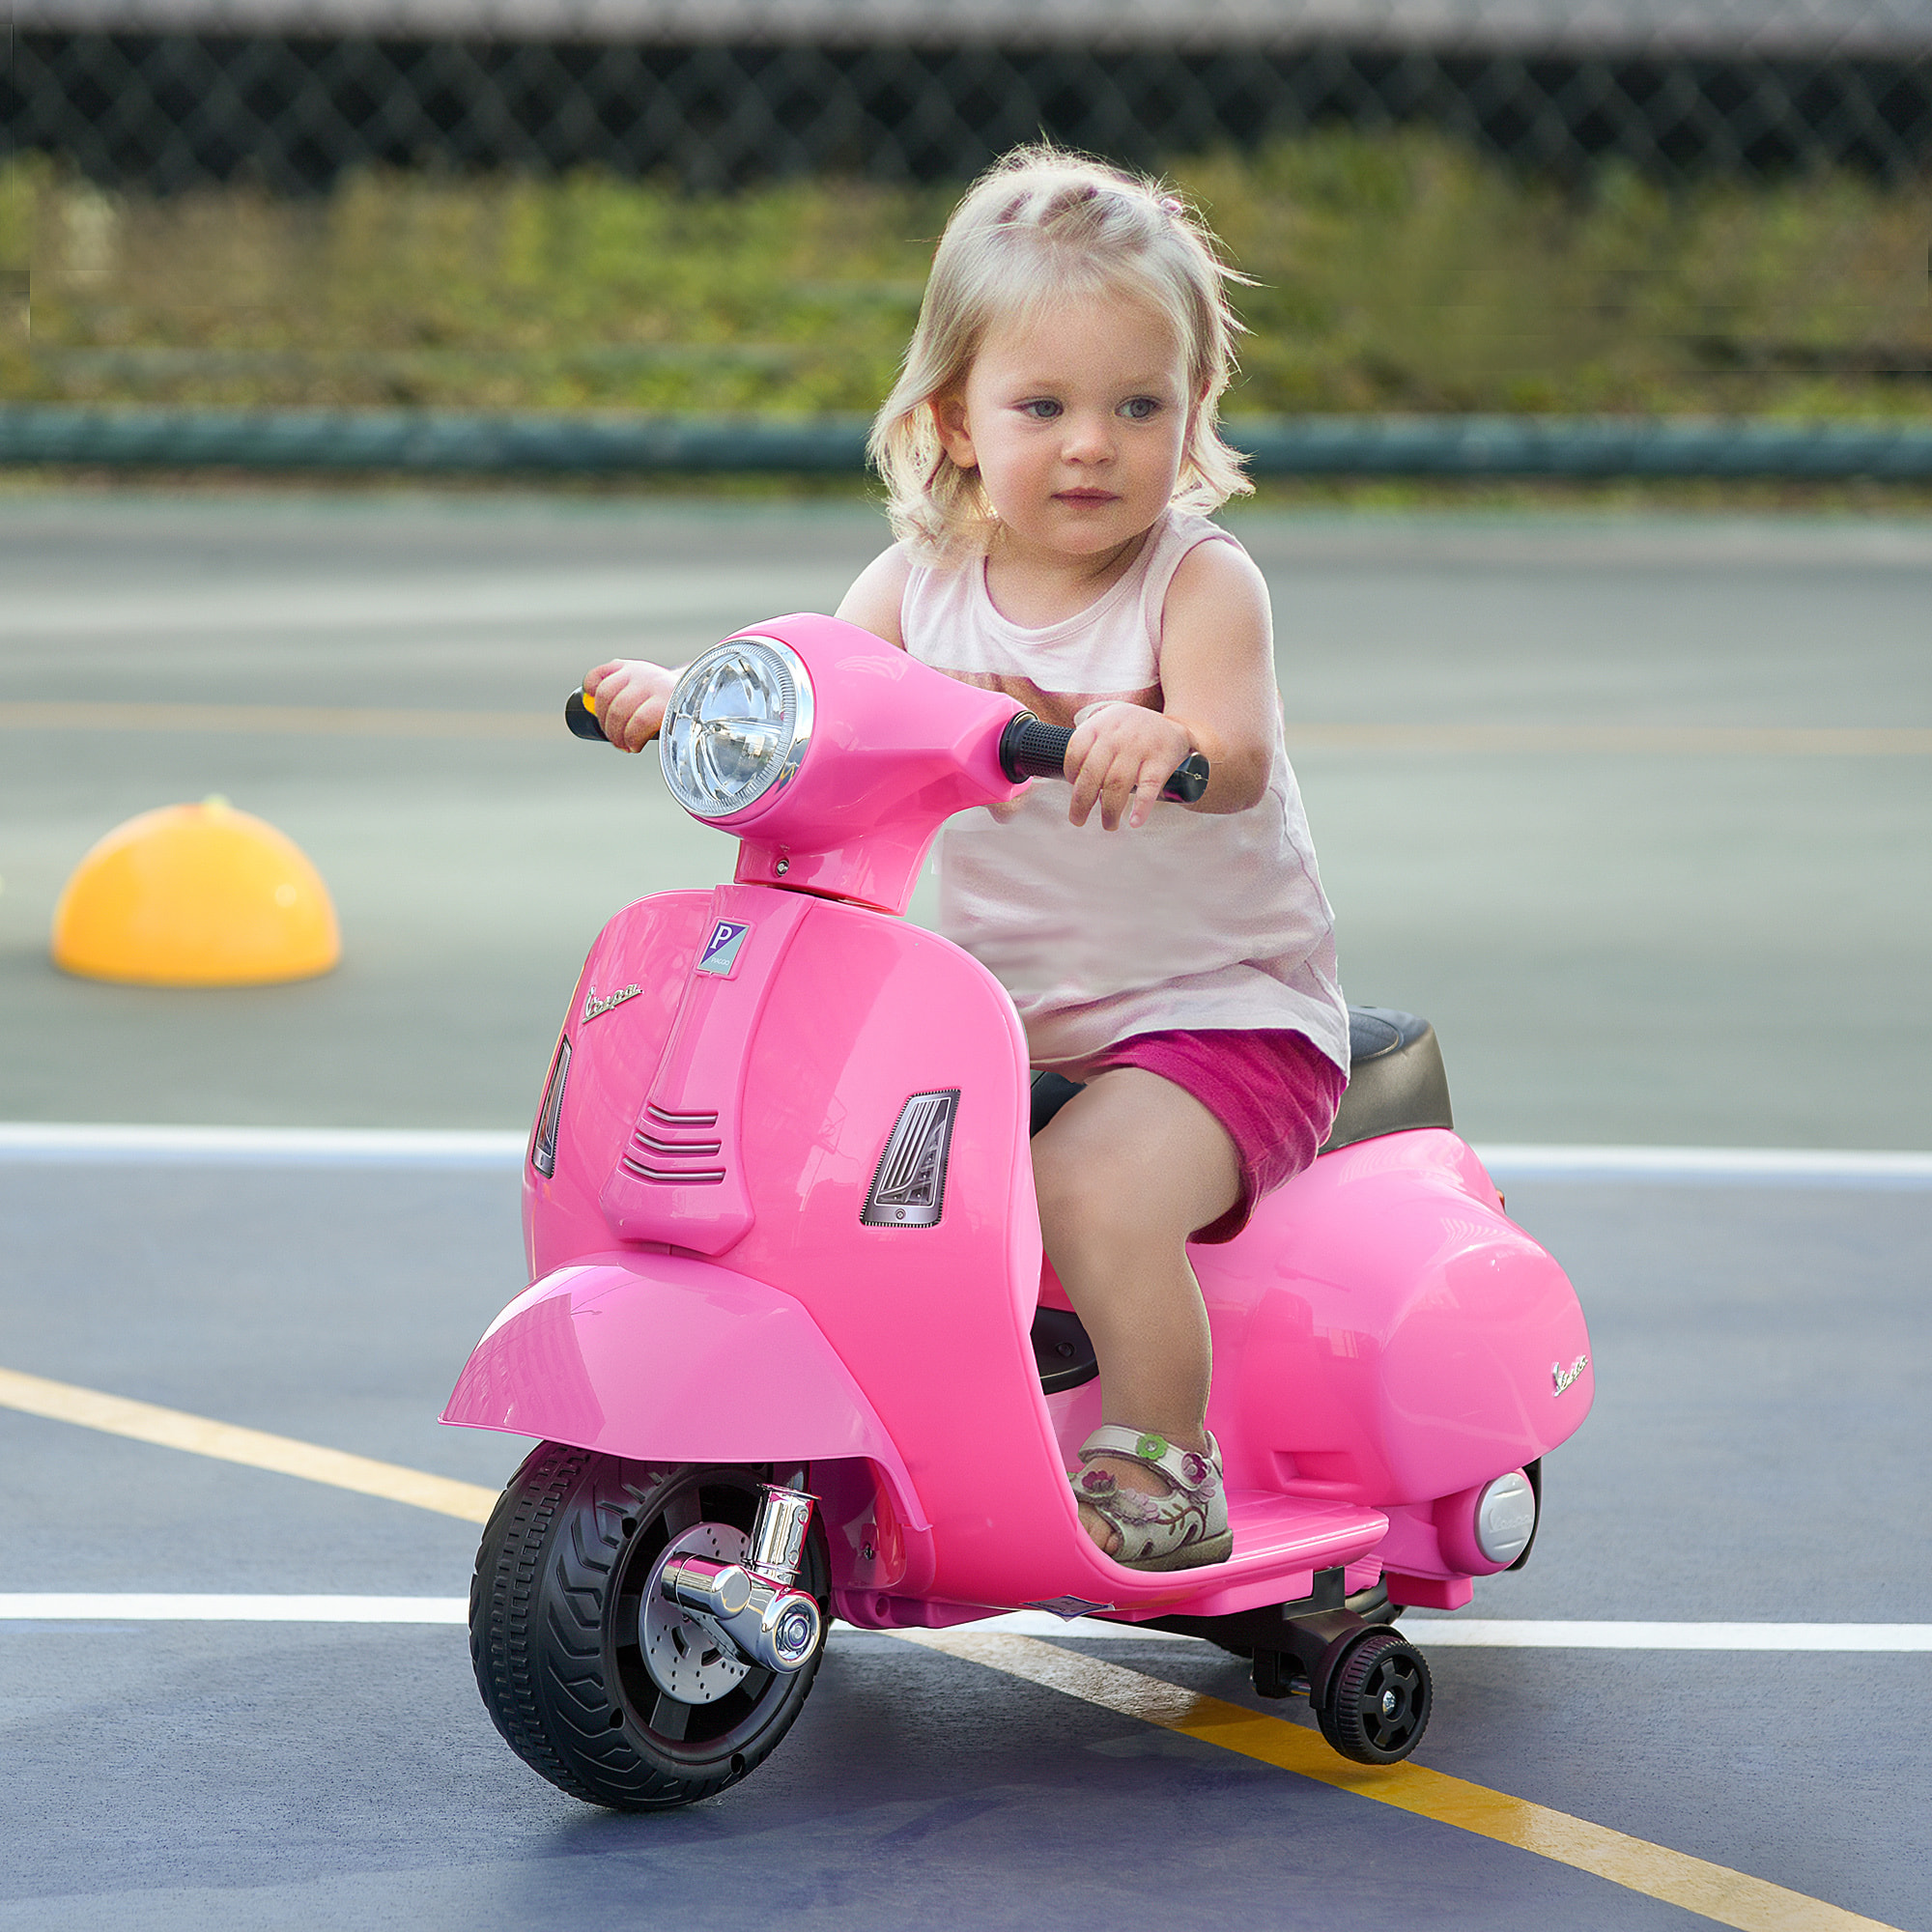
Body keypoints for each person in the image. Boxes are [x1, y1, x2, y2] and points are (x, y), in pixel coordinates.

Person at [583, 145, 1349, 1573]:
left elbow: (1230, 749)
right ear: (952, 416)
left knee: (1093, 1195)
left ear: (1193, 417)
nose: (1091, 445)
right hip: (1018, 1026)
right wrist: (694, 693)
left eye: (1139, 406)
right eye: (1043, 405)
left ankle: (1166, 1465)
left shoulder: (1197, 580)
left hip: (1221, 1011)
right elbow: (821, 700)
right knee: (844, 1176)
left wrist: (1152, 732)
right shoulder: (916, 584)